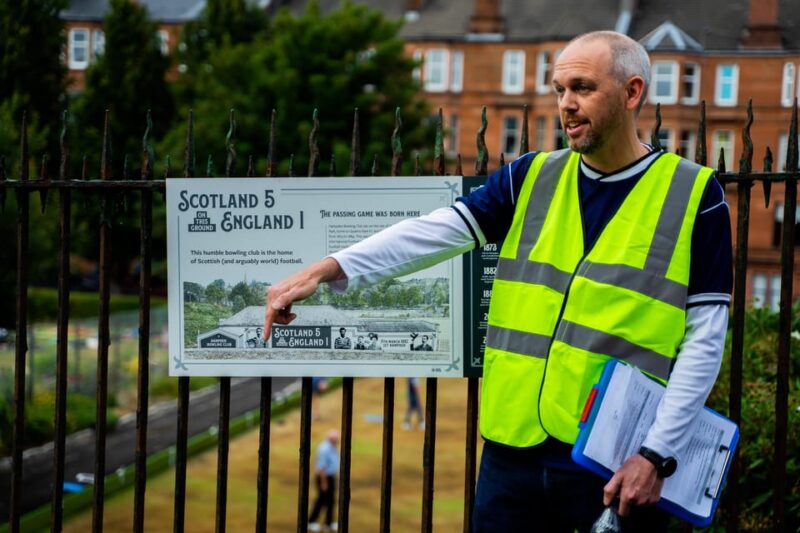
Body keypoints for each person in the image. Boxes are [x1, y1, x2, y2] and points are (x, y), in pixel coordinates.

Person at [265, 31, 731, 532]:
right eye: (559, 90)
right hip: (512, 454)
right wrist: (330, 267)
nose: (566, 105)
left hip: (614, 461)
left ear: (632, 92)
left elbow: (704, 342)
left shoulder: (695, 193)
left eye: (582, 87)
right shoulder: (530, 175)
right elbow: (434, 232)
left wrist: (656, 454)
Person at [309, 429, 340, 532]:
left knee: (331, 501)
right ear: (331, 439)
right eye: (336, 439)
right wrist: (324, 483)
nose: (337, 441)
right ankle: (311, 521)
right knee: (321, 500)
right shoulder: (324, 449)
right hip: (324, 478)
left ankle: (329, 523)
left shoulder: (332, 447)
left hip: (330, 477)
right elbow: (322, 467)